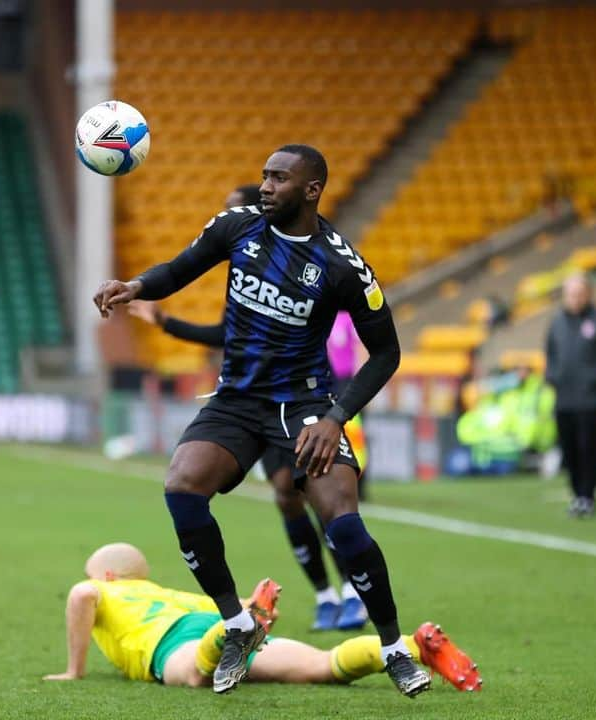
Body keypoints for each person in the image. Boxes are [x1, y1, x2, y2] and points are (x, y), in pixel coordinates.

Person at [93, 145, 427, 697]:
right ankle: (238, 625)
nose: (265, 186)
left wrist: (337, 417)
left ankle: (394, 648)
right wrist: (136, 286)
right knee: (181, 486)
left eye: (279, 179)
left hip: (306, 406)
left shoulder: (344, 266)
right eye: (264, 177)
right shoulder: (238, 227)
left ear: (312, 189)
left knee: (342, 522)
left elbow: (386, 353)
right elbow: (179, 268)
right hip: (237, 400)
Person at [127, 185, 369, 633]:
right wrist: (167, 323)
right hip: (247, 402)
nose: (226, 218)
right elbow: (224, 332)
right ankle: (325, 595)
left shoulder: (305, 259)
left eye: (233, 210)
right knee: (284, 495)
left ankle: (352, 592)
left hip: (299, 401)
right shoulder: (242, 254)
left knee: (315, 496)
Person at [43, 543, 481, 692]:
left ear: (106, 574)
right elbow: (218, 601)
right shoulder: (167, 592)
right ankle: (412, 647)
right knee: (325, 667)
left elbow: (82, 594)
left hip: (174, 643)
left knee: (195, 675)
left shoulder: (102, 588)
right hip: (212, 622)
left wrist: (73, 670)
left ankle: (238, 631)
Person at [544, 273, 596, 518]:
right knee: (570, 450)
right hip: (565, 399)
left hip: (592, 400)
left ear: (589, 294)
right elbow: (550, 353)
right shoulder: (557, 323)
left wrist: (595, 378)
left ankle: (588, 495)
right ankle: (576, 494)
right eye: (571, 294)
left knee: (590, 448)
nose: (575, 299)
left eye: (579, 294)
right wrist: (554, 376)